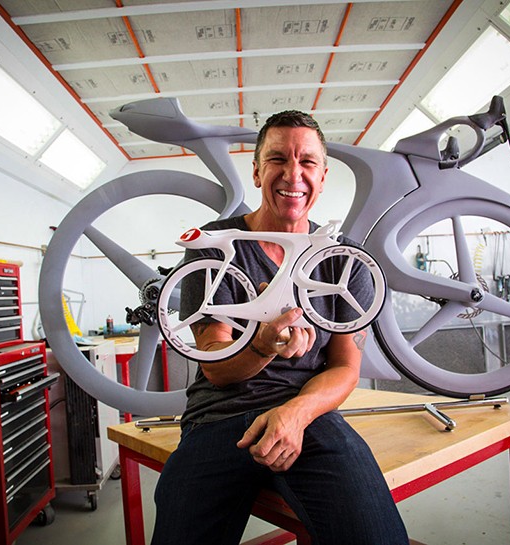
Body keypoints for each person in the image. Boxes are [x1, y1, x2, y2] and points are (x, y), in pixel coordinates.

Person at [151, 110, 409, 545]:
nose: (293, 174)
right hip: (219, 418)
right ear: (256, 171)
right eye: (277, 159)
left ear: (322, 176)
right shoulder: (216, 246)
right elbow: (215, 368)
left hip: (306, 416)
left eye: (307, 161)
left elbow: (346, 367)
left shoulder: (345, 259)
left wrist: (296, 414)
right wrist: (262, 346)